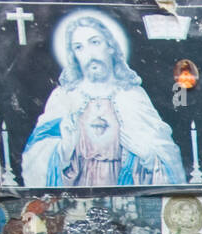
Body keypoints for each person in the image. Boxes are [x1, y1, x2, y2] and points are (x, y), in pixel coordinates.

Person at [22, 13, 185, 187]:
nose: (89, 54)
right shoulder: (63, 96)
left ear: (110, 46)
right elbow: (35, 157)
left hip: (126, 197)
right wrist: (63, 148)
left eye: (95, 42)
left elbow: (168, 156)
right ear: (73, 55)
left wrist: (148, 155)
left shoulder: (132, 95)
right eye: (79, 47)